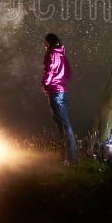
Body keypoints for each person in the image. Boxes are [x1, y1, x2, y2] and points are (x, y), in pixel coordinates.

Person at [41, 33, 78, 164]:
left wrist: (45, 84)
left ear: (48, 42)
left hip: (55, 92)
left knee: (64, 126)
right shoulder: (63, 55)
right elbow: (69, 74)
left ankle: (72, 158)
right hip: (64, 92)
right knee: (62, 126)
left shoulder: (50, 54)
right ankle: (65, 158)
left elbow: (49, 71)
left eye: (44, 42)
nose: (43, 45)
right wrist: (62, 81)